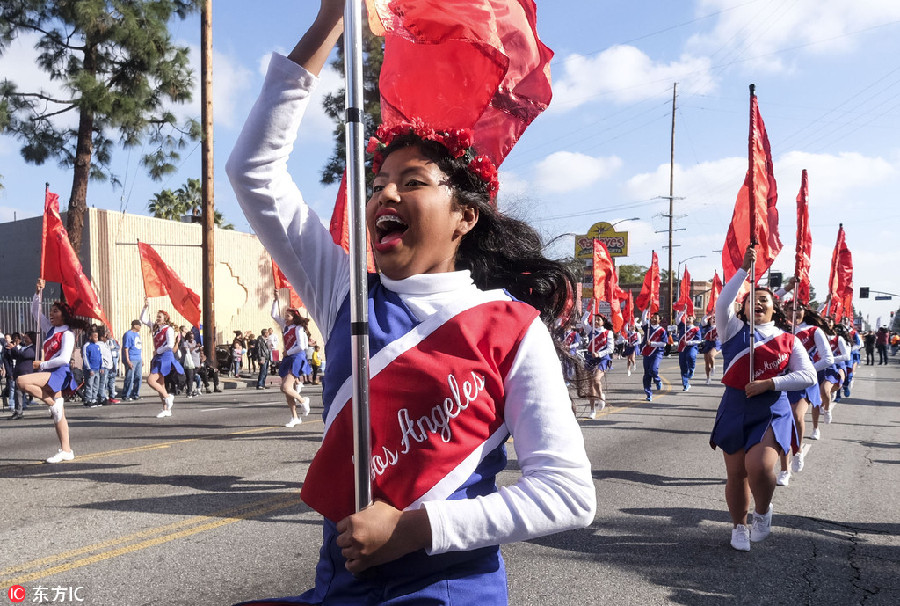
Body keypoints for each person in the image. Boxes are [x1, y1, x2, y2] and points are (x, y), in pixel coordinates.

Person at [225, 5, 595, 601]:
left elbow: (568, 493)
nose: (385, 194)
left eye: (413, 182)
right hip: (342, 586)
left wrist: (416, 530)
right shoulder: (346, 296)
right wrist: (330, 21)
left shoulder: (512, 327)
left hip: (448, 589)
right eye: (377, 185)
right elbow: (254, 172)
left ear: (465, 216)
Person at [709, 247, 815, 551]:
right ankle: (738, 527)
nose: (757, 303)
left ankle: (763, 511)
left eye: (764, 300)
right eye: (751, 299)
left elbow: (808, 375)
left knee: (758, 466)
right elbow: (723, 302)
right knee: (736, 473)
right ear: (742, 308)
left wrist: (771, 383)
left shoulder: (788, 340)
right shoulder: (731, 329)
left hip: (771, 409)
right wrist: (744, 269)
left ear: (773, 309)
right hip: (734, 406)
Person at [17, 279, 86, 463]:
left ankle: (50, 402)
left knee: (21, 382)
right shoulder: (50, 329)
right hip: (50, 370)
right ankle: (66, 450)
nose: (51, 313)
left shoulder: (68, 334)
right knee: (58, 415)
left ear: (64, 315)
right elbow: (35, 312)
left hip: (59, 372)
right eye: (51, 310)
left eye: (55, 311)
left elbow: (64, 359)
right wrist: (37, 292)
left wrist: (42, 365)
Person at [776, 298, 833, 486]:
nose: (794, 312)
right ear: (785, 311)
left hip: (804, 383)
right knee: (783, 423)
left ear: (804, 311)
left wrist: (806, 371)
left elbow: (828, 359)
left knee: (796, 416)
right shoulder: (780, 330)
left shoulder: (813, 331)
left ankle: (798, 450)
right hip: (783, 382)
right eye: (790, 308)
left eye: (798, 308)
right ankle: (784, 470)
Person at [270, 294, 312, 427]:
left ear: (294, 318)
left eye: (287, 316)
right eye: (285, 316)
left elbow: (302, 346)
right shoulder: (285, 326)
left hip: (296, 357)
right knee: (286, 391)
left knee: (285, 387)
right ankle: (295, 417)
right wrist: (276, 300)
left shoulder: (298, 328)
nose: (285, 318)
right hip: (288, 358)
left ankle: (303, 400)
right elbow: (274, 315)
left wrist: (288, 352)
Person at [140, 299, 183, 418]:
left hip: (165, 357)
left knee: (151, 381)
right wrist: (145, 307)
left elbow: (170, 345)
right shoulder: (156, 328)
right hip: (158, 357)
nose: (157, 318)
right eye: (157, 316)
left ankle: (168, 397)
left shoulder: (168, 329)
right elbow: (143, 319)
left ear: (165, 319)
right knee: (160, 383)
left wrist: (158, 350)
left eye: (160, 317)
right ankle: (166, 409)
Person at [583, 312, 613, 418]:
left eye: (598, 320)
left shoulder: (608, 333)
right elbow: (583, 321)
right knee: (590, 385)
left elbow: (610, 349)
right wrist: (589, 309)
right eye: (594, 319)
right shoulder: (591, 331)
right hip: (590, 359)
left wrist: (599, 354)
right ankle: (592, 410)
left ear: (603, 322)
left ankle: (600, 397)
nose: (595, 321)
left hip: (602, 359)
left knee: (596, 379)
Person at [7, 331, 36, 419]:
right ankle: (18, 412)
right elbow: (16, 356)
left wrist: (14, 348)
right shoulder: (24, 347)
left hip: (27, 374)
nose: (24, 339)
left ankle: (53, 407)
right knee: (18, 393)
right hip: (19, 373)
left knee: (36, 392)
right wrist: (12, 349)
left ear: (31, 339)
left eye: (26, 338)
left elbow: (25, 355)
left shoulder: (33, 348)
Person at [640, 310, 667, 401]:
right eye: (652, 317)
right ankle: (648, 393)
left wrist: (652, 343)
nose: (654, 319)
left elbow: (664, 344)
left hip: (657, 353)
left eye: (656, 318)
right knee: (647, 374)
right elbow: (643, 319)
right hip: (646, 353)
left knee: (653, 369)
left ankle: (657, 380)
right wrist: (646, 309)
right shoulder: (647, 327)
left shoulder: (661, 330)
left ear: (660, 320)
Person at [676, 313, 702, 392]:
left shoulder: (696, 329)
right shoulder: (682, 327)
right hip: (682, 348)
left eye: (689, 318)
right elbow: (677, 320)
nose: (687, 319)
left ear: (693, 319)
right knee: (683, 367)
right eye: (686, 318)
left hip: (691, 347)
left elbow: (698, 341)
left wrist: (689, 342)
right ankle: (686, 384)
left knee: (690, 356)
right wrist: (682, 312)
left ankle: (692, 368)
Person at [121, 319, 143, 400]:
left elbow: (139, 347)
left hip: (138, 358)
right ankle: (126, 395)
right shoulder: (128, 334)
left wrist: (141, 358)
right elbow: (126, 348)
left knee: (138, 377)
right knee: (130, 377)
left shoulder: (137, 335)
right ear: (135, 325)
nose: (140, 327)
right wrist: (127, 360)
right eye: (139, 325)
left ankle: (135, 394)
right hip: (131, 358)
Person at [82, 329, 102, 407]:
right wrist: (89, 368)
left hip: (97, 369)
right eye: (95, 336)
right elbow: (85, 358)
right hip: (91, 369)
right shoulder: (86, 346)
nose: (96, 338)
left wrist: (101, 367)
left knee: (96, 385)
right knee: (89, 384)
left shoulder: (97, 346)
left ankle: (94, 399)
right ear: (90, 337)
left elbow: (100, 357)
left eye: (97, 337)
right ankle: (88, 400)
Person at [700, 316, 721, 385]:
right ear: (709, 320)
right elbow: (703, 320)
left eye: (715, 318)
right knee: (707, 362)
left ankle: (713, 367)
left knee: (711, 355)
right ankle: (708, 377)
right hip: (708, 343)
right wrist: (708, 314)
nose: (714, 319)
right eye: (712, 318)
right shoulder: (707, 327)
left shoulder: (719, 326)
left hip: (716, 344)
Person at [181, 330, 202, 398]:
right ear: (187, 337)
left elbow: (197, 351)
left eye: (193, 338)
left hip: (196, 363)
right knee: (190, 377)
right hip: (189, 363)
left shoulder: (195, 342)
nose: (192, 339)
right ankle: (189, 392)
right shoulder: (185, 343)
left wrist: (200, 349)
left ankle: (191, 390)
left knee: (192, 377)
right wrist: (195, 346)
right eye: (190, 338)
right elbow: (187, 350)